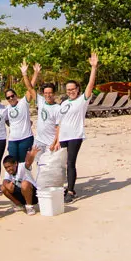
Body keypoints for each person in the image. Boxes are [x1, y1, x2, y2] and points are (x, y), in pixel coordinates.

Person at [52, 52, 99, 203]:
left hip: (75, 136)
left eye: (73, 89)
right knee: (61, 164)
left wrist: (94, 68)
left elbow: (90, 86)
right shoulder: (64, 103)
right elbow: (59, 123)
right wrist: (57, 140)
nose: (71, 91)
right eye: (68, 90)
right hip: (63, 137)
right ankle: (66, 187)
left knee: (70, 163)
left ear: (78, 89)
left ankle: (71, 191)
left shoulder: (81, 101)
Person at [3, 60, 37, 163]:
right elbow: (6, 120)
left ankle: (25, 179)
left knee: (24, 163)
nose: (11, 98)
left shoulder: (23, 103)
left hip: (26, 138)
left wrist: (32, 73)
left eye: (12, 96)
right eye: (8, 97)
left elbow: (31, 88)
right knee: (13, 163)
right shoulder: (6, 109)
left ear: (16, 96)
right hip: (13, 140)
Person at [32, 63, 61, 152]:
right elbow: (30, 88)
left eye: (50, 93)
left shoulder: (58, 108)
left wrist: (55, 142)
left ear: (54, 94)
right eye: (46, 93)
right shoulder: (41, 102)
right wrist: (36, 73)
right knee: (38, 164)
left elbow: (58, 128)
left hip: (50, 143)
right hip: (38, 141)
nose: (48, 95)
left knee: (49, 165)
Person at [1, 149, 39, 215]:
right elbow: (5, 181)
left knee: (24, 184)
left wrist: (32, 155)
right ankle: (20, 205)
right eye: (6, 168)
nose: (8, 169)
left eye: (9, 166)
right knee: (3, 187)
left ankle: (29, 207)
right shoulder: (8, 172)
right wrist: (7, 185)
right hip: (22, 194)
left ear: (15, 163)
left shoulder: (22, 167)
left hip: (33, 195)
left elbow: (28, 163)